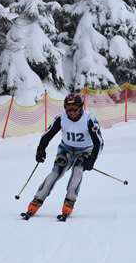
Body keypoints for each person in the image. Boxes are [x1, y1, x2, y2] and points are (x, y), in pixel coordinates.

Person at [21, 92, 103, 221]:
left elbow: (99, 142)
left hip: (85, 150)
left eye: (75, 109)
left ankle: (69, 201)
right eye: (68, 109)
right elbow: (47, 135)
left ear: (81, 107)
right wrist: (40, 150)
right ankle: (37, 200)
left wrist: (92, 160)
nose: (72, 112)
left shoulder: (89, 120)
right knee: (56, 172)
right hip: (66, 149)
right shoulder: (61, 118)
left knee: (77, 171)